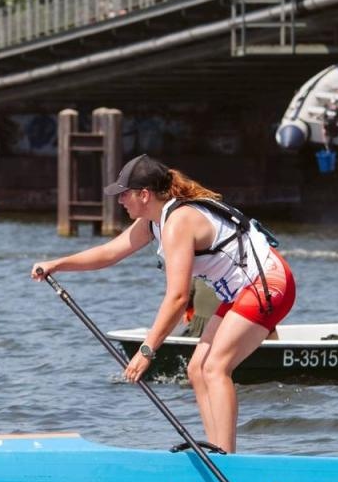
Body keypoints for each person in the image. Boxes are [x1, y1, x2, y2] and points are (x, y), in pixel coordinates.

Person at [31, 154, 294, 454]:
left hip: (268, 284)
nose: (120, 201)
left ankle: (226, 459)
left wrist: (147, 350)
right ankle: (217, 452)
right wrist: (57, 264)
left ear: (144, 195)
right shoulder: (153, 222)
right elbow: (109, 253)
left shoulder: (178, 222)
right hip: (240, 290)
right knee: (197, 369)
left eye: (124, 194)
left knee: (215, 368)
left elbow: (179, 297)